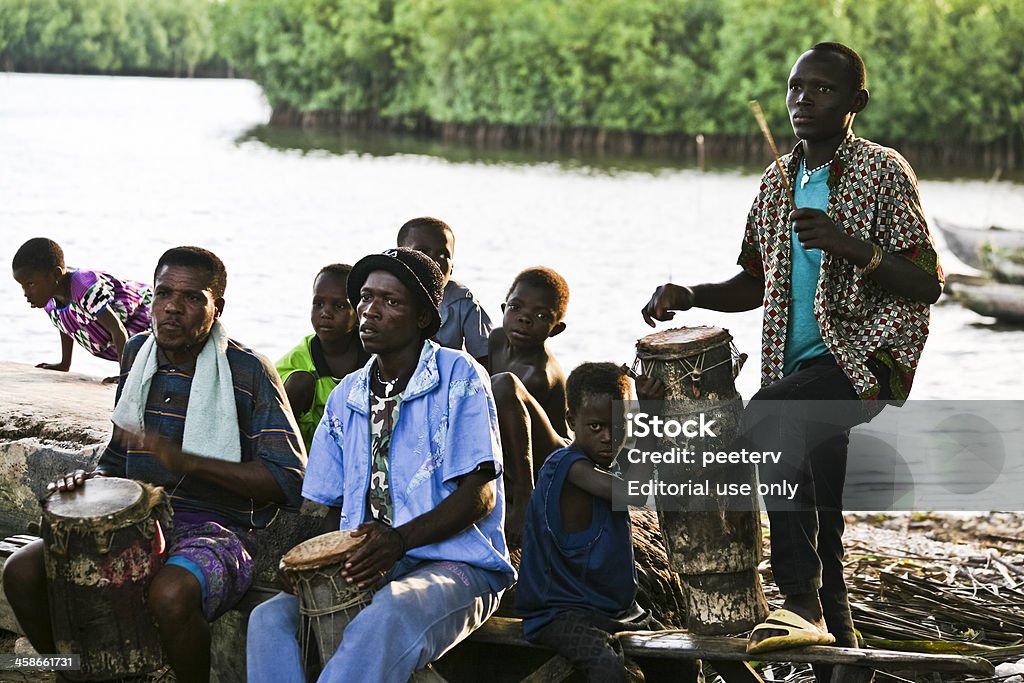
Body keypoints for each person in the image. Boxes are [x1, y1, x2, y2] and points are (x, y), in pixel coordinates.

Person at [640, 42, 942, 673]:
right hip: (797, 369)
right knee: (822, 518)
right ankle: (840, 649)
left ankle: (798, 602)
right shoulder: (777, 182)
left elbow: (926, 283)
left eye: (823, 90)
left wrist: (846, 242)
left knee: (769, 416)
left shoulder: (884, 173)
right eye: (796, 87)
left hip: (868, 360)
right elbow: (754, 282)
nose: (804, 100)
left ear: (856, 102)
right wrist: (690, 293)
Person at [2, 246, 307, 683]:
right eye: (163, 293)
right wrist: (87, 484)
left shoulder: (248, 370)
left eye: (192, 297)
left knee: (170, 593)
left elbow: (287, 480)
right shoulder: (137, 354)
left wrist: (189, 462)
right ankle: (69, 673)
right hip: (134, 524)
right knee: (22, 571)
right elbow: (115, 462)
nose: (172, 308)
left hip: (216, 531)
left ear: (217, 306)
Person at [247, 247, 515, 683]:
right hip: (370, 563)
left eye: (391, 302)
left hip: (456, 565)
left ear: (424, 318)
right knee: (270, 618)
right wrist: (307, 565)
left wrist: (399, 541)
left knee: (389, 611)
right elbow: (325, 505)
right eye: (367, 298)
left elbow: (480, 495)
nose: (370, 311)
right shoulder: (346, 396)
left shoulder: (458, 374)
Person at [516, 363, 700, 683]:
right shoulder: (566, 466)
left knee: (682, 662)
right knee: (606, 668)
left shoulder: (600, 469)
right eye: (596, 426)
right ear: (572, 421)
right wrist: (652, 418)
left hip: (616, 611)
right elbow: (633, 494)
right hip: (560, 613)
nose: (608, 438)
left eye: (619, 427)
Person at [488, 266, 570, 542]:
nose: (524, 319)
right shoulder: (496, 339)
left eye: (541, 315)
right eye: (516, 307)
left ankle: (524, 494)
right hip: (512, 442)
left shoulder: (538, 373)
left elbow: (498, 402)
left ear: (555, 329)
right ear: (503, 308)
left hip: (553, 454)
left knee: (504, 384)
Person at [11, 237, 153, 382]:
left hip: (147, 317)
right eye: (22, 286)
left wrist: (126, 376)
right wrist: (64, 364)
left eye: (31, 284)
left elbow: (118, 330)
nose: (26, 292)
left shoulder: (84, 288)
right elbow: (64, 322)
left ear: (56, 275)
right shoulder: (49, 296)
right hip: (121, 339)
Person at [277, 263, 368, 450]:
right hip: (306, 456)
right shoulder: (296, 361)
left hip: (360, 451)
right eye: (318, 304)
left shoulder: (373, 356)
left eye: (339, 306)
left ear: (359, 312)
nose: (326, 313)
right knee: (299, 381)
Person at [396, 216, 493, 367]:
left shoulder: (462, 300)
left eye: (443, 255)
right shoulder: (384, 294)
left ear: (452, 266)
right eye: (422, 252)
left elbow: (484, 358)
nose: (433, 261)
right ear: (399, 258)